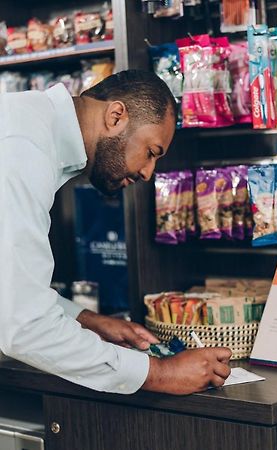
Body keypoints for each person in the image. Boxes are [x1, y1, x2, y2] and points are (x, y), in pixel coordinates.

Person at [0, 69, 232, 395]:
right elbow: (24, 326)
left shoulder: (30, 127)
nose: (148, 173)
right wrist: (160, 372)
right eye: (151, 152)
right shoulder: (24, 147)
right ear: (116, 116)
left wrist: (85, 319)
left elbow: (9, 292)